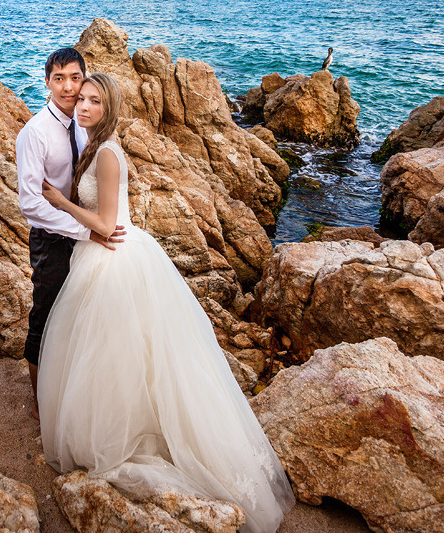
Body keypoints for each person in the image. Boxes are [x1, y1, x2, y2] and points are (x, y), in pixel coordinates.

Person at [38, 72, 295, 533]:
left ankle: (129, 435)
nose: (85, 106)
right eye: (83, 98)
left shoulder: (110, 154)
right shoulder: (92, 147)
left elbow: (106, 221)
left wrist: (59, 200)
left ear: (110, 106)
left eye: (96, 100)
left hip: (114, 258)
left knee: (120, 351)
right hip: (99, 256)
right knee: (110, 352)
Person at [15, 47, 124, 421]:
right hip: (52, 239)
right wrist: (83, 229)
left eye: (74, 78)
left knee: (76, 318)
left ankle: (70, 389)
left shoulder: (82, 120)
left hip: (85, 236)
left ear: (83, 78)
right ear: (47, 81)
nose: (67, 87)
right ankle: (39, 404)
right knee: (45, 319)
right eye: (58, 78)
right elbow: (31, 203)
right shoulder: (35, 133)